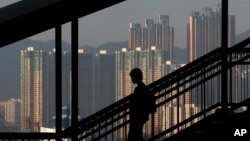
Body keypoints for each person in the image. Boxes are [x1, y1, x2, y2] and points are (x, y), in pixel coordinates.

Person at [127, 68, 149, 141]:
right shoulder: (142, 87)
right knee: (137, 135)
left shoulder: (139, 88)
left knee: (133, 136)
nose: (132, 79)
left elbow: (138, 102)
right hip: (140, 116)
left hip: (138, 116)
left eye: (132, 77)